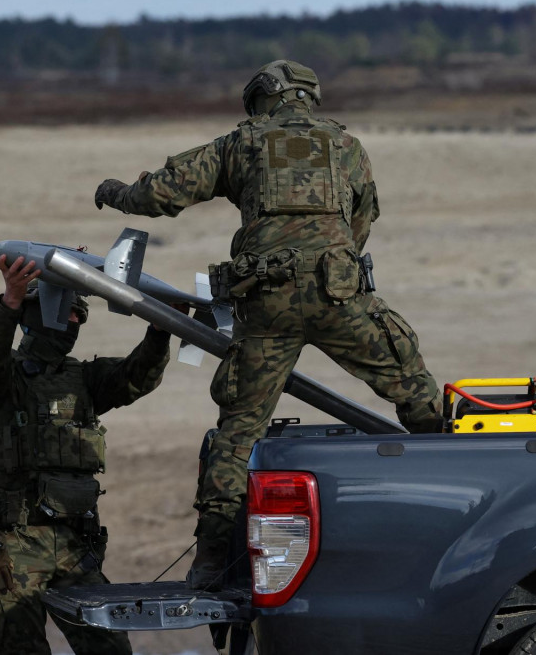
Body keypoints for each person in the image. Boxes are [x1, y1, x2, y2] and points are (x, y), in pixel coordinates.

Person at [93, 59, 443, 589]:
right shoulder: (347, 147)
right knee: (413, 388)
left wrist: (116, 192)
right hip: (339, 297)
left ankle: (211, 560)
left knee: (239, 430)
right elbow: (362, 221)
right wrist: (333, 268)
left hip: (266, 304)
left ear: (263, 96)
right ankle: (461, 489)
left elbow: (162, 193)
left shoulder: (241, 143)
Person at [0, 254, 172, 655]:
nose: (73, 323)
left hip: (74, 543)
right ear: (33, 314)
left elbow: (136, 376)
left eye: (79, 316)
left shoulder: (82, 379)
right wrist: (9, 301)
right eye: (66, 313)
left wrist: (160, 330)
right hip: (14, 543)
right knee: (18, 646)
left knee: (109, 647)